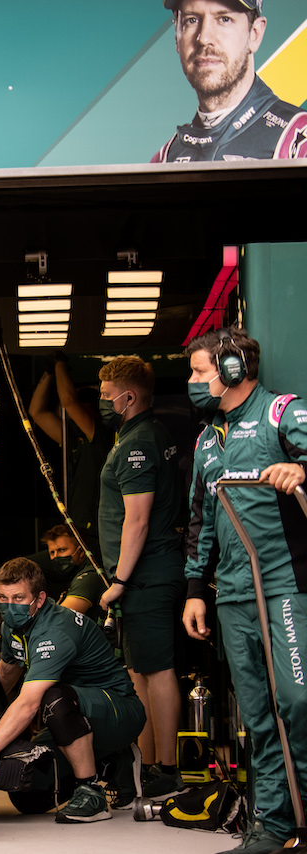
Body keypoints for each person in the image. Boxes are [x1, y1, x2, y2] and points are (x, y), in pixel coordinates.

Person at [182, 328, 307, 854]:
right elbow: (199, 521)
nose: (191, 382)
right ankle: (273, 824)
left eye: (198, 370)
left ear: (232, 369)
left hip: (284, 585)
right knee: (255, 715)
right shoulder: (207, 440)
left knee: (297, 702)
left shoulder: (284, 412)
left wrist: (299, 466)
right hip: (232, 594)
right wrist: (194, 589)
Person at [0, 558, 145, 823]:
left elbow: (29, 703)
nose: (9, 605)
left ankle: (92, 791)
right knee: (28, 792)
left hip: (118, 710)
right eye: (3, 597)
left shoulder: (56, 629)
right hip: (73, 716)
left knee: (54, 698)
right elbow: (6, 674)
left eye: (18, 597)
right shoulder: (12, 626)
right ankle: (111, 763)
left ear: (39, 599)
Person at [95, 355, 186, 801]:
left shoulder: (138, 442)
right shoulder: (142, 434)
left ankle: (167, 768)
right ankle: (147, 766)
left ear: (128, 397)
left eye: (106, 395)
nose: (102, 401)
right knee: (139, 673)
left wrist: (120, 581)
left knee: (157, 669)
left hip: (147, 575)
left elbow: (137, 520)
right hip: (145, 575)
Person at [153, 0, 307, 162]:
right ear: (177, 37)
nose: (204, 38)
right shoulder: (165, 158)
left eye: (224, 19)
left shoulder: (298, 142)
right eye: (192, 20)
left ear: (255, 34)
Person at [28, 351, 115, 561]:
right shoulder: (75, 441)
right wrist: (49, 371)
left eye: (80, 415)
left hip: (95, 533)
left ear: (95, 414)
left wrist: (59, 362)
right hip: (75, 531)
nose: (74, 421)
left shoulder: (102, 438)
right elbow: (36, 412)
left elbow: (69, 402)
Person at [40, 524, 110, 624]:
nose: (56, 557)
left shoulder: (88, 577)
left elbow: (60, 620)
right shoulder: (74, 576)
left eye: (62, 550)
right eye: (52, 552)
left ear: (81, 551)